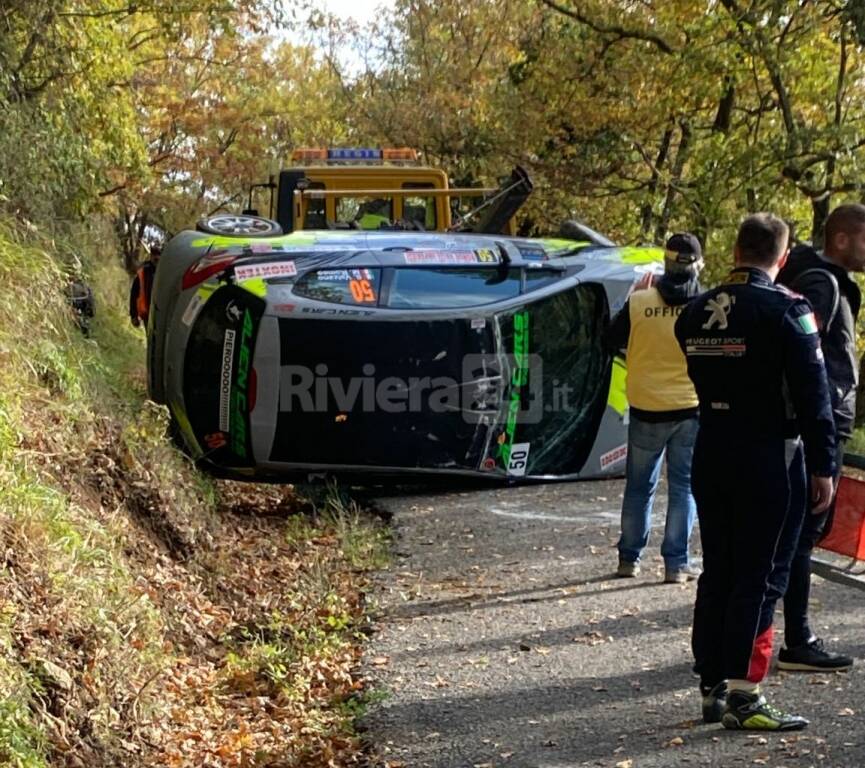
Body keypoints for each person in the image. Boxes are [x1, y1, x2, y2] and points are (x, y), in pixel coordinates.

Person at [675, 213, 836, 731]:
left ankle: (712, 683)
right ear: (782, 258)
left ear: (736, 249)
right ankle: (747, 695)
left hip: (712, 449)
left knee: (719, 568)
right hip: (771, 454)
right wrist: (825, 464)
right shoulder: (788, 310)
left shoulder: (695, 311)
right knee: (762, 572)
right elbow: (814, 395)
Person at [774, 203, 865, 672]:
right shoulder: (822, 284)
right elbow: (806, 364)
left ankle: (775, 635)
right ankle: (796, 640)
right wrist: (821, 429)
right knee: (801, 536)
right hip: (815, 429)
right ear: (843, 240)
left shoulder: (822, 282)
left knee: (799, 535)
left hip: (819, 424)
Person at [605, 233, 703, 584]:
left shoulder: (639, 302)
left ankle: (628, 559)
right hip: (689, 407)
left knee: (638, 486)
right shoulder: (705, 305)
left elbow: (610, 340)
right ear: (697, 264)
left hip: (646, 405)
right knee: (683, 487)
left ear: (665, 261)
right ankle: (676, 564)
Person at [129, 245, 161, 327]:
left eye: (158, 254)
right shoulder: (143, 272)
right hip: (147, 314)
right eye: (154, 254)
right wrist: (134, 315)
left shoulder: (164, 273)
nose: (156, 257)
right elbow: (134, 294)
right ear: (151, 256)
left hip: (161, 313)